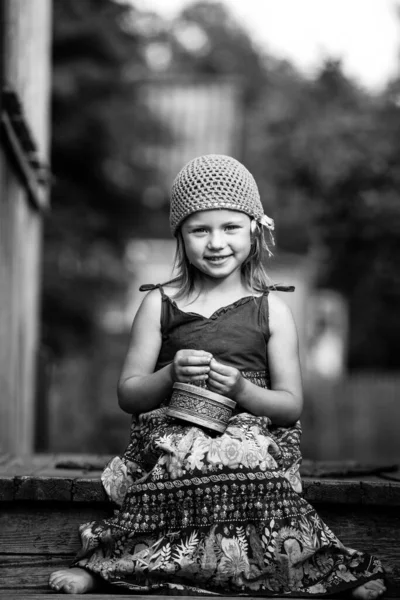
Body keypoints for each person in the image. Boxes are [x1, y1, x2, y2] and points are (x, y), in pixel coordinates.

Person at [49, 154, 386, 597]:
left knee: (240, 456)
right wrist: (170, 374)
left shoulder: (272, 311)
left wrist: (244, 391)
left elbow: (289, 406)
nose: (216, 242)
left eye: (229, 227)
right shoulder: (159, 304)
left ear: (255, 228)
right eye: (199, 229)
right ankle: (105, 565)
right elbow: (129, 395)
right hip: (171, 430)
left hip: (251, 434)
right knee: (181, 458)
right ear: (179, 235)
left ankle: (326, 571)